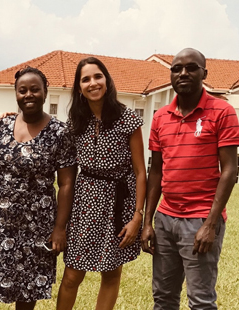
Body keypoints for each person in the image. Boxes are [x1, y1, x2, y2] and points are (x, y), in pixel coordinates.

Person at [0, 67, 76, 310]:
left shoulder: (60, 132)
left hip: (37, 223)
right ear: (16, 94)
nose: (29, 95)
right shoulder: (1, 126)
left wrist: (59, 228)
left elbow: (66, 183)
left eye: (35, 89)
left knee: (29, 282)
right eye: (22, 90)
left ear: (46, 93)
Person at [141, 48, 239, 310]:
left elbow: (230, 170)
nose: (183, 73)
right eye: (176, 68)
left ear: (203, 73)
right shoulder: (160, 117)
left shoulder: (222, 111)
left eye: (191, 67)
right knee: (163, 299)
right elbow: (156, 171)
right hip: (165, 219)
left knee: (201, 301)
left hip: (201, 219)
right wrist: (148, 221)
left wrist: (210, 224)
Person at [57, 57, 147, 310]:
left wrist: (137, 216)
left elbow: (141, 171)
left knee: (111, 273)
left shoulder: (127, 118)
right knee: (72, 274)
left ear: (106, 80)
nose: (93, 83)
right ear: (79, 87)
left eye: (98, 76)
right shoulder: (75, 121)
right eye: (85, 79)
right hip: (84, 202)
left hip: (119, 203)